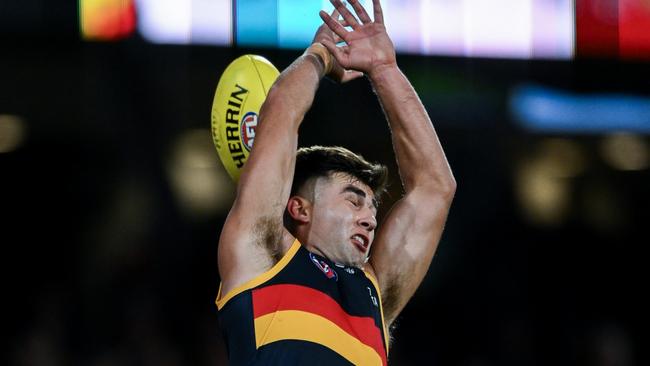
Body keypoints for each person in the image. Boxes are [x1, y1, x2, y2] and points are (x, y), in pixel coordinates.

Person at [215, 0, 456, 364]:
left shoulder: (375, 295)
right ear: (299, 208)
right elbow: (280, 108)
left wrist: (385, 69)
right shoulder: (262, 256)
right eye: (354, 199)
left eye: (373, 207)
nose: (371, 218)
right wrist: (322, 54)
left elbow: (435, 188)